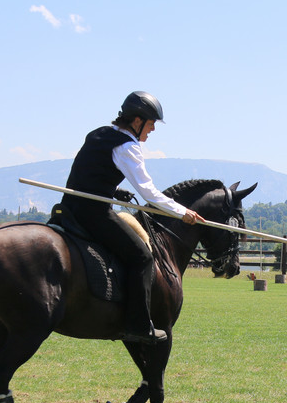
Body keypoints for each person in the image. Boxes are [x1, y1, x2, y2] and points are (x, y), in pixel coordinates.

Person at [60, 91, 205, 344]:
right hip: (94, 214)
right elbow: (149, 192)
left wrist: (114, 191)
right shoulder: (128, 146)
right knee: (143, 257)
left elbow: (90, 173)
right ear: (137, 121)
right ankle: (138, 325)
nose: (152, 130)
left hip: (69, 208)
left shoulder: (99, 134)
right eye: (151, 124)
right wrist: (183, 212)